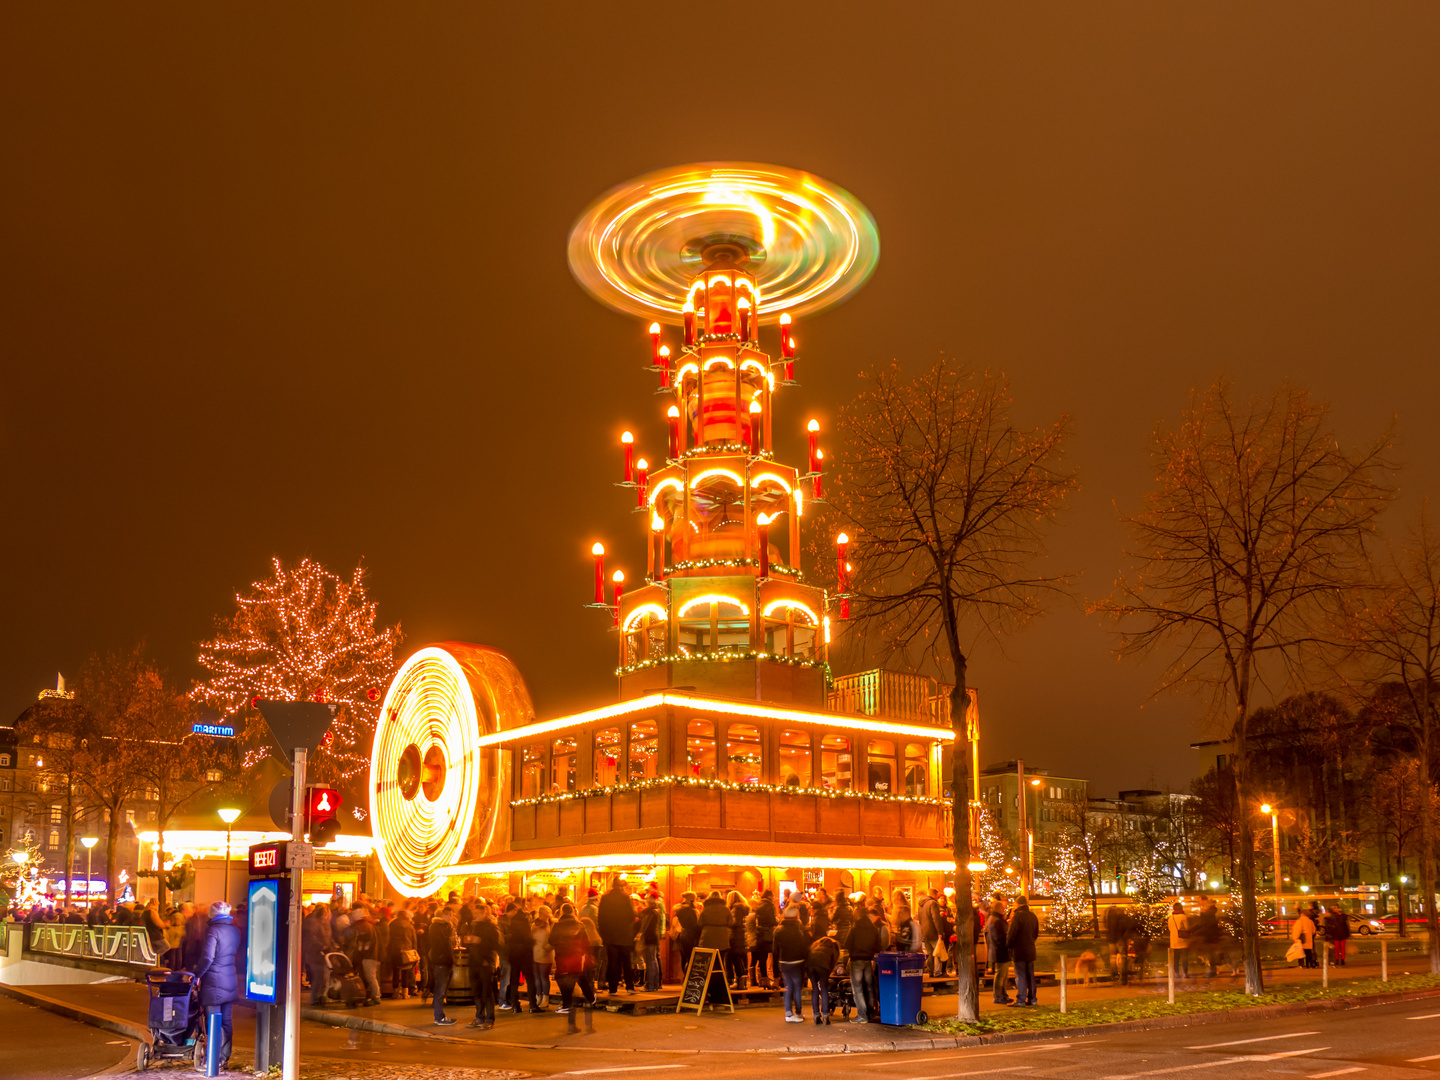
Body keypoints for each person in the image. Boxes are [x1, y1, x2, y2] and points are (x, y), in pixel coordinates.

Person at [192, 901, 241, 1070]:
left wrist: (197, 975)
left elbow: (207, 957)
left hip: (213, 981)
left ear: (212, 914)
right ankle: (224, 1059)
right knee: (226, 1022)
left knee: (213, 1020)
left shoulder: (213, 930)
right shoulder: (234, 930)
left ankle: (213, 1061)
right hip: (230, 978)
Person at [550, 903, 597, 1034]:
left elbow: (551, 940)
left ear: (561, 912)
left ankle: (569, 1015)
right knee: (579, 978)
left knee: (567, 986)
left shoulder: (558, 926)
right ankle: (589, 1002)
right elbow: (586, 942)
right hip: (575, 958)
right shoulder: (579, 925)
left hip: (562, 958)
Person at [464, 902, 501, 1029]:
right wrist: (469, 941)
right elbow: (473, 943)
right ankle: (479, 1017)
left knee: (487, 992)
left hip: (485, 962)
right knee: (477, 992)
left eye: (479, 913)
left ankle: (489, 1019)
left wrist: (480, 941)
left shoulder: (491, 926)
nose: (476, 915)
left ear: (486, 913)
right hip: (474, 962)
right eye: (476, 913)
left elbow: (497, 943)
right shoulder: (475, 926)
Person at [843, 902, 882, 1023]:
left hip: (856, 960)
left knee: (858, 988)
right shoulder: (873, 929)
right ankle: (871, 1013)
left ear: (856, 916)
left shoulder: (854, 929)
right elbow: (878, 947)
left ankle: (862, 1015)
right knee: (869, 987)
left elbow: (847, 944)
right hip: (868, 960)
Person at [598, 877, 637, 995]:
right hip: (624, 935)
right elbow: (632, 915)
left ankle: (612, 988)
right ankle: (629, 987)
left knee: (612, 963)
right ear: (621, 886)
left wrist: (604, 934)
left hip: (610, 936)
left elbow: (600, 918)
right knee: (626, 962)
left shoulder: (605, 898)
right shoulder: (626, 898)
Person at [774, 905, 810, 1023]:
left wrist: (775, 970)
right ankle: (798, 1013)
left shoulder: (778, 930)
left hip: (784, 962)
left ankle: (788, 1013)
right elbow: (804, 947)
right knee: (797, 988)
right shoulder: (799, 930)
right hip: (797, 961)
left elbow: (775, 951)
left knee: (788, 987)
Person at [428, 900, 459, 1025]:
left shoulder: (447, 926)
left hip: (446, 960)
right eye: (449, 915)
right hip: (441, 960)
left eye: (451, 915)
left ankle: (440, 1015)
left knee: (442, 989)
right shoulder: (436, 927)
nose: (451, 917)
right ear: (442, 915)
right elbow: (440, 944)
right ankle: (439, 1017)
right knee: (440, 990)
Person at [1006, 896, 1039, 1007]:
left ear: (1018, 905)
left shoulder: (1017, 917)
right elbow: (1035, 933)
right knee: (1030, 975)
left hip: (1019, 950)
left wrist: (1008, 946)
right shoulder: (1033, 916)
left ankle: (1021, 999)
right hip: (1030, 949)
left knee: (1020, 975)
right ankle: (1033, 999)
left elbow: (1012, 934)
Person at [697, 890, 732, 994]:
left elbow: (699, 923)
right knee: (721, 963)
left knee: (708, 964)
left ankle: (709, 986)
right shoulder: (726, 909)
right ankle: (720, 987)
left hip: (707, 937)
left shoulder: (705, 909)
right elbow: (731, 922)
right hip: (722, 937)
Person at [348, 904, 380, 1006]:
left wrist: (359, 950)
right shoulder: (370, 927)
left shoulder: (365, 929)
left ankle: (376, 997)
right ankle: (372, 997)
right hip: (371, 956)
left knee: (371, 977)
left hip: (369, 957)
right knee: (369, 977)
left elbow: (364, 945)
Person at [302, 903, 333, 1005]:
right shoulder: (315, 923)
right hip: (316, 953)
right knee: (319, 976)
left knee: (322, 976)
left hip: (321, 953)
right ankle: (315, 998)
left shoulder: (321, 923)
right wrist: (321, 946)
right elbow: (312, 937)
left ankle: (319, 997)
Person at [807, 930, 839, 1025]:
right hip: (823, 966)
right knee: (824, 988)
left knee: (815, 989)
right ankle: (825, 1014)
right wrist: (829, 971)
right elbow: (834, 960)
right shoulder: (834, 945)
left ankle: (816, 1015)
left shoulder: (816, 945)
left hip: (810, 966)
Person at [985, 898, 1012, 1004]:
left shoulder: (996, 919)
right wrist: (1007, 945)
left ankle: (1003, 995)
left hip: (1001, 950)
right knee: (1000, 974)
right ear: (998, 908)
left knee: (1004, 975)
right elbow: (999, 937)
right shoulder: (996, 920)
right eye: (1002, 907)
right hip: (1000, 951)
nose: (1004, 909)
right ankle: (998, 996)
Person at [388, 908, 418, 999]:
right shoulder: (410, 926)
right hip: (407, 951)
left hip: (395, 950)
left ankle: (395, 993)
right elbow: (414, 940)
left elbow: (389, 938)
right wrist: (415, 951)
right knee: (406, 972)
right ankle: (405, 993)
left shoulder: (392, 924)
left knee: (396, 972)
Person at [672, 891, 699, 982]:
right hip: (691, 936)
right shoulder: (691, 911)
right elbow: (695, 925)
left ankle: (685, 976)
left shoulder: (680, 910)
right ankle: (690, 977)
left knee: (684, 957)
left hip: (683, 935)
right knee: (692, 958)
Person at [531, 905, 554, 1011]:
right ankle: (538, 996)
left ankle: (545, 998)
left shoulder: (552, 924)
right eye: (539, 912)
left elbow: (554, 939)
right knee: (537, 977)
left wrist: (548, 948)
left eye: (542, 913)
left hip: (545, 953)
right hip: (535, 952)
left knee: (544, 977)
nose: (540, 915)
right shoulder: (534, 925)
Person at [638, 893, 663, 991]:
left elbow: (645, 927)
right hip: (654, 938)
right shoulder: (656, 912)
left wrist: (641, 937)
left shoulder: (650, 913)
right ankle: (655, 984)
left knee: (650, 962)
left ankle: (650, 985)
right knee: (654, 961)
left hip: (649, 938)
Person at [726, 890, 749, 990]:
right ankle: (740, 982)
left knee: (733, 958)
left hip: (735, 936)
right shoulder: (741, 908)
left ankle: (737, 982)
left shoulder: (736, 908)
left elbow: (734, 922)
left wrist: (726, 922)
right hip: (740, 936)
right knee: (737, 958)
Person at [1103, 904, 1131, 985]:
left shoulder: (1109, 918)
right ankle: (1123, 977)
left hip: (1111, 939)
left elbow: (1106, 926)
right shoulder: (1123, 918)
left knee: (1112, 958)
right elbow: (1127, 928)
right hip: (1121, 939)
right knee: (1123, 958)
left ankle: (1113, 975)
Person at [1168, 902, 1192, 978]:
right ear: (1181, 908)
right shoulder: (1183, 917)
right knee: (1184, 958)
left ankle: (1176, 973)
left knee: (1176, 959)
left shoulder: (1170, 918)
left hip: (1173, 941)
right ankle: (1185, 973)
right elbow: (1187, 928)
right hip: (1183, 941)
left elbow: (1169, 928)